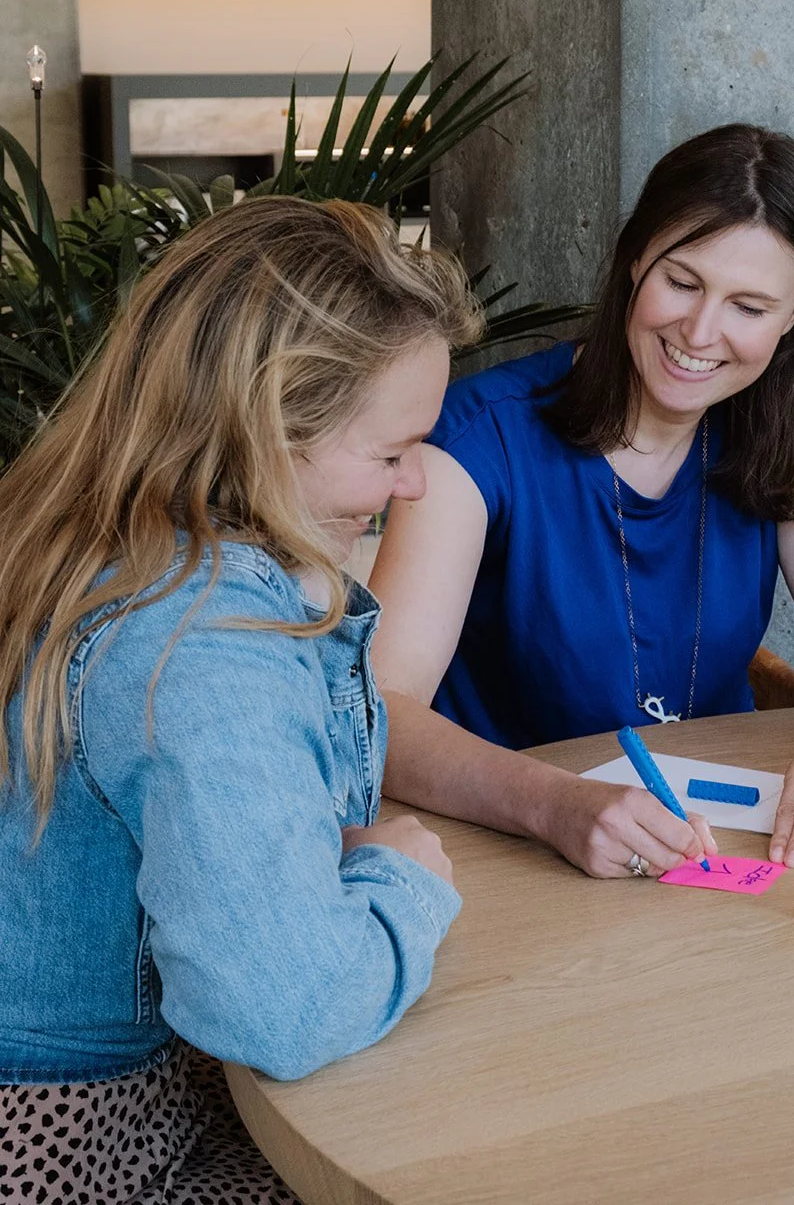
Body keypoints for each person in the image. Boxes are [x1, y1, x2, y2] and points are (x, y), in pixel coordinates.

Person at [0, 198, 482, 1203]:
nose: (412, 485)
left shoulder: (74, 531)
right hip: (91, 1141)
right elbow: (284, 1010)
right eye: (390, 453)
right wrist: (402, 881)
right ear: (271, 426)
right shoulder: (206, 633)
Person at [370, 123, 794, 881]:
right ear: (634, 260)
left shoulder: (786, 441)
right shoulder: (474, 441)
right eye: (681, 282)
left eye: (749, 307)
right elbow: (380, 714)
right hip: (510, 856)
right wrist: (554, 805)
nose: (700, 332)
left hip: (714, 852)